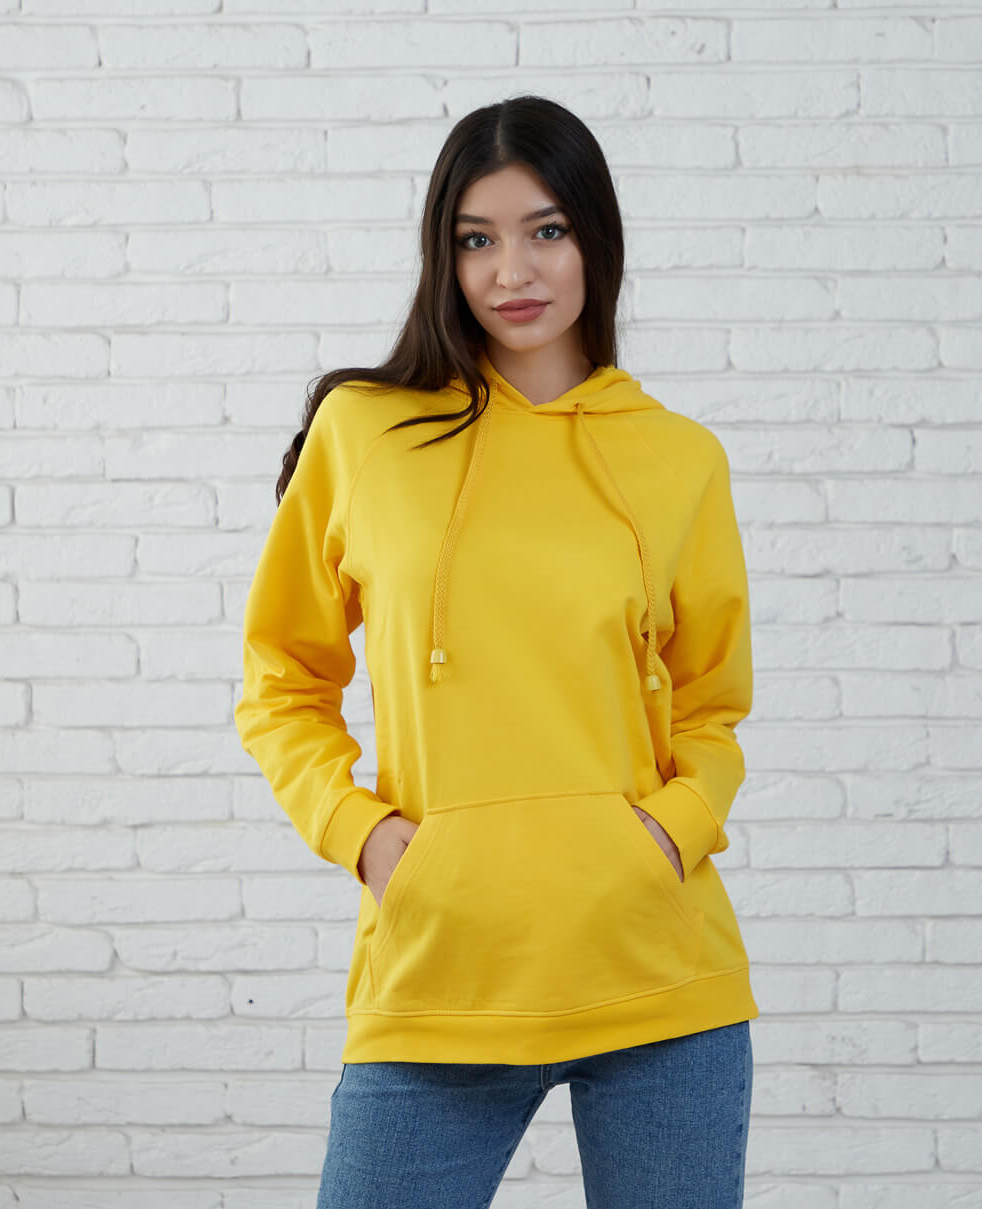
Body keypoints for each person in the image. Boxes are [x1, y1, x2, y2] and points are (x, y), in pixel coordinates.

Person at [234, 94, 756, 1209]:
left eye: (545, 230)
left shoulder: (679, 459)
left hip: (659, 976)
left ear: (595, 239)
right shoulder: (366, 434)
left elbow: (712, 706)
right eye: (477, 239)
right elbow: (282, 679)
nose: (511, 271)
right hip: (441, 972)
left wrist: (667, 834)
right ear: (445, 255)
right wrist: (362, 836)